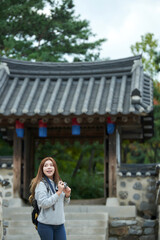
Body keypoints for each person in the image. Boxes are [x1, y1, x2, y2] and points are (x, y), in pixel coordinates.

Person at [30, 156, 71, 240]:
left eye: (51, 165)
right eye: (45, 165)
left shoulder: (58, 183)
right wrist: (58, 192)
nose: (49, 167)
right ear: (42, 169)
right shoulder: (41, 184)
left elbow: (64, 204)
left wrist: (67, 195)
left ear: (55, 168)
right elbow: (44, 203)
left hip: (60, 225)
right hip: (45, 225)